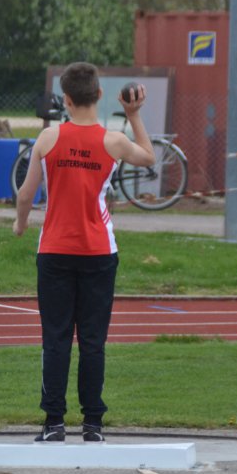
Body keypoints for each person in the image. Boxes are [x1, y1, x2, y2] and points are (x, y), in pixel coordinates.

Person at [13, 62, 155, 443]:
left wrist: (20, 224)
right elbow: (149, 157)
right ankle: (93, 424)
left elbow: (26, 194)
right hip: (99, 252)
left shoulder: (48, 138)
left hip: (55, 250)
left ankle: (54, 423)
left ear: (67, 100)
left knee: (56, 339)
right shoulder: (113, 141)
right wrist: (133, 115)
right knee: (93, 340)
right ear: (99, 95)